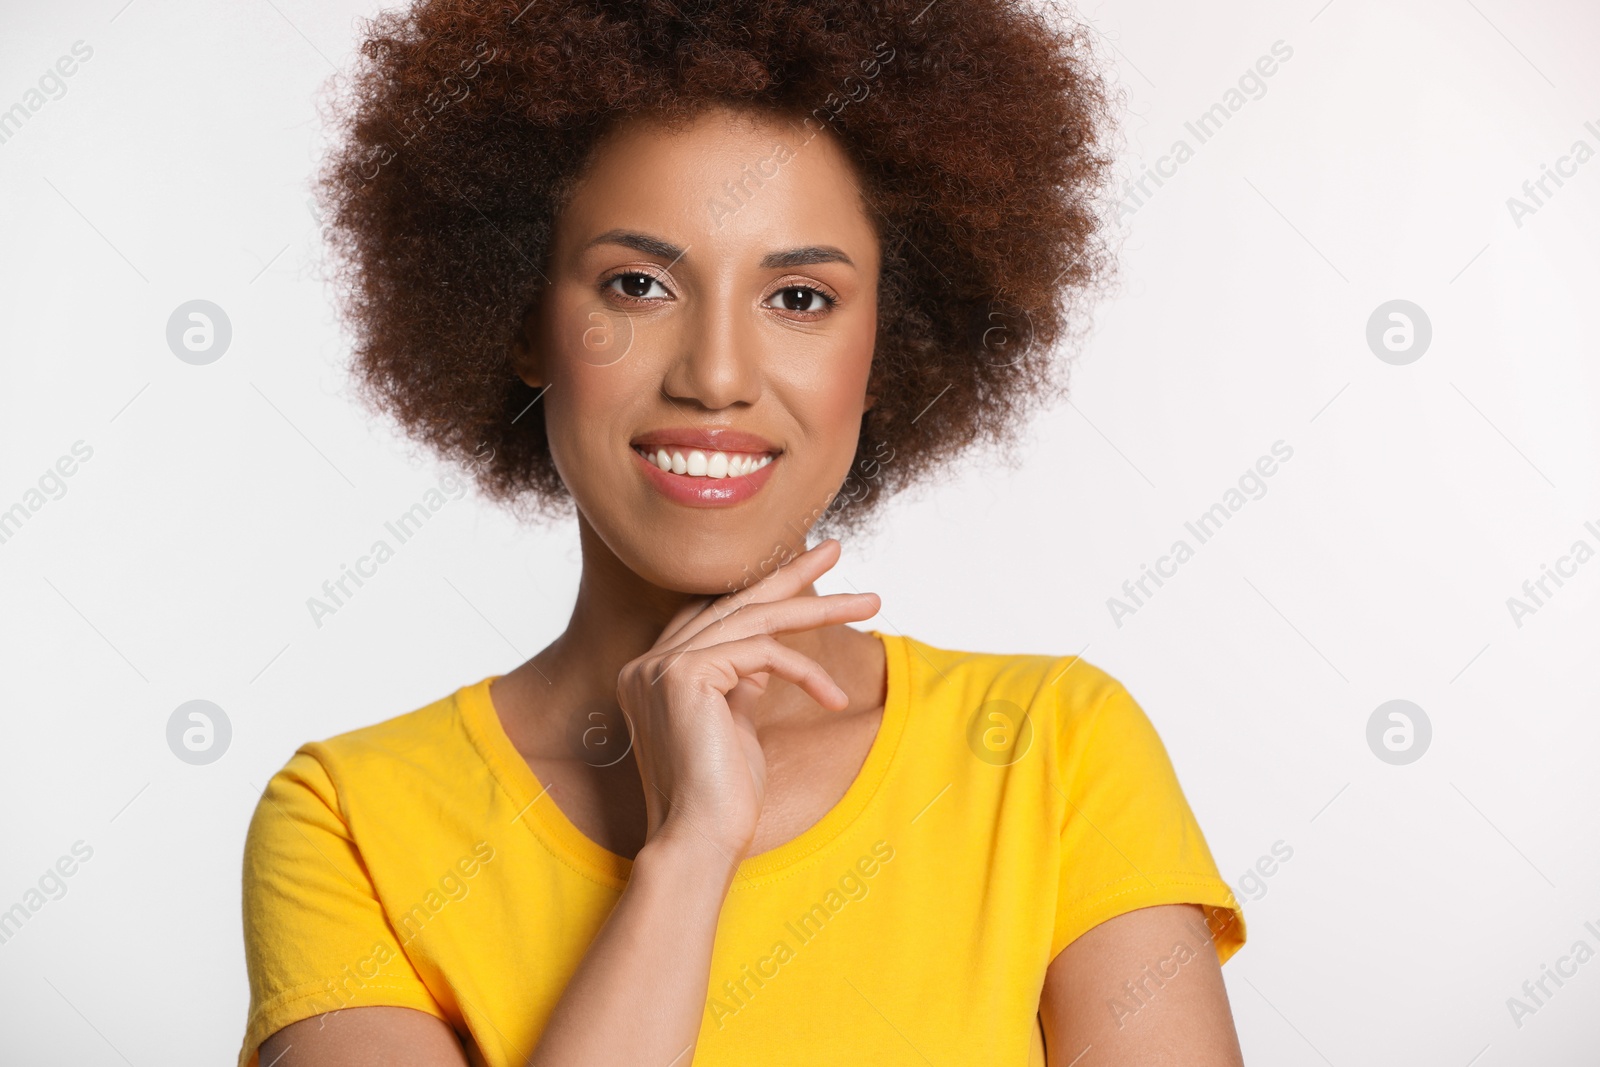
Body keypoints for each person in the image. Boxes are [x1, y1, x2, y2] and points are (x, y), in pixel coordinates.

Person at [239, 2, 1248, 1064]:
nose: (715, 375)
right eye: (637, 285)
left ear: (887, 348)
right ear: (526, 321)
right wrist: (687, 853)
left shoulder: (1053, 755)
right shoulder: (351, 820)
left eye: (800, 296)